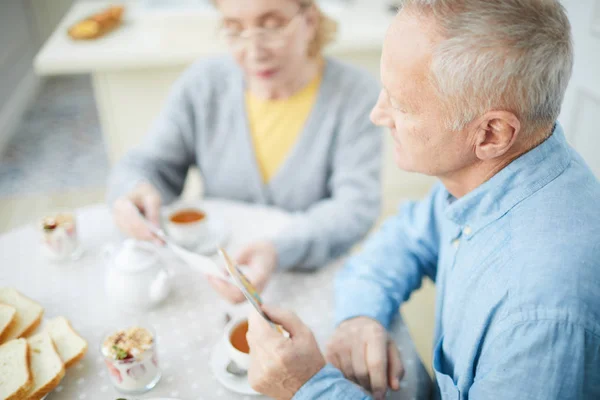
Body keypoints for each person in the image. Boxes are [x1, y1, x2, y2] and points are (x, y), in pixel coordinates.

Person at [245, 0, 600, 399]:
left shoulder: (540, 316)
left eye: (400, 102)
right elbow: (403, 240)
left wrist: (306, 387)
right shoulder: (495, 174)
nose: (377, 114)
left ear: (491, 134)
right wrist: (359, 315)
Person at [107, 0, 382, 302]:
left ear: (310, 20)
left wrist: (278, 250)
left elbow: (356, 206)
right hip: (217, 279)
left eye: (272, 25)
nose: (254, 52)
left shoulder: (356, 95)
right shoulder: (203, 84)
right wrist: (133, 189)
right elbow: (147, 164)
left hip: (309, 280)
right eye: (234, 29)